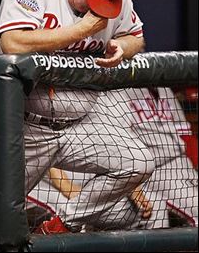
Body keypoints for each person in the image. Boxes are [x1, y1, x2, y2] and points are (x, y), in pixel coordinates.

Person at [0, 0, 155, 236]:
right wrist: (82, 30)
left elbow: (135, 38)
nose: (95, 9)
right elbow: (13, 42)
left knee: (138, 162)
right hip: (19, 126)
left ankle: (60, 226)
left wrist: (121, 47)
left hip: (80, 127)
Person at [28, 87, 198, 232]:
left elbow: (122, 148)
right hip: (42, 180)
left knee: (154, 209)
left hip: (90, 182)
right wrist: (65, 186)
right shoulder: (52, 83)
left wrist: (132, 187)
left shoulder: (111, 96)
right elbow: (46, 138)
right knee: (64, 212)